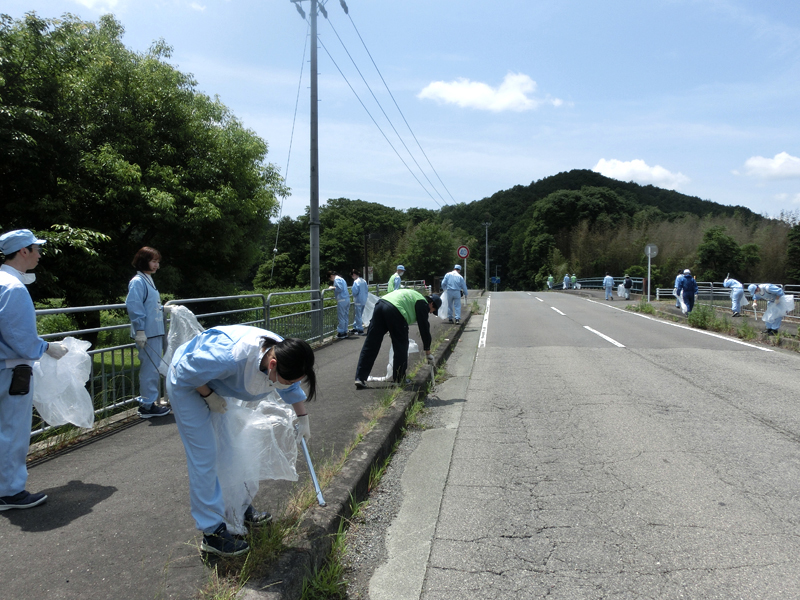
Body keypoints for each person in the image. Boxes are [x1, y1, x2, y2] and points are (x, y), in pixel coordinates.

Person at [166, 325, 316, 557]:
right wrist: (207, 395)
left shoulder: (285, 352)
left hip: (214, 382)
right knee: (205, 456)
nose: (288, 385)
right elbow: (186, 370)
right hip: (187, 383)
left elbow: (290, 385)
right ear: (273, 365)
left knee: (231, 449)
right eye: (286, 381)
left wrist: (302, 417)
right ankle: (212, 532)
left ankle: (238, 508)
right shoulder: (231, 356)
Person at [0, 229, 69, 511]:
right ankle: (10, 491)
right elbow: (22, 339)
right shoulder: (13, 288)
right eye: (36, 249)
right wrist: (46, 347)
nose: (40, 254)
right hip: (11, 369)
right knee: (12, 430)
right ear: (23, 251)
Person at [354, 289, 441, 389]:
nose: (430, 313)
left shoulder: (415, 295)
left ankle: (360, 378)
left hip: (381, 304)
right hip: (395, 310)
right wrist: (428, 351)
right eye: (433, 311)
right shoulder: (423, 303)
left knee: (371, 343)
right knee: (401, 345)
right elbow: (424, 328)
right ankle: (399, 379)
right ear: (432, 304)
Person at [125, 247, 172, 418]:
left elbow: (150, 305)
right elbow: (135, 306)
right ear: (143, 260)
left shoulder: (148, 280)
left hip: (154, 331)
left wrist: (163, 309)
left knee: (153, 369)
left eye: (157, 262)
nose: (156, 265)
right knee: (149, 370)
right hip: (147, 333)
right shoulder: (138, 281)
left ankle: (149, 402)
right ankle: (146, 405)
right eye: (153, 261)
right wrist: (140, 330)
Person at [327, 270, 351, 339]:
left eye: (330, 278)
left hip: (342, 299)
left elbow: (339, 289)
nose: (331, 280)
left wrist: (333, 287)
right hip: (346, 299)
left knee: (341, 316)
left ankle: (341, 332)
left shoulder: (337, 279)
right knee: (345, 316)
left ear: (331, 276)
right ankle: (345, 331)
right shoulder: (341, 278)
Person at [350, 269, 368, 336]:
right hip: (363, 300)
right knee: (359, 315)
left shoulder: (356, 282)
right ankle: (355, 327)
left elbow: (355, 292)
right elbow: (366, 290)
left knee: (358, 315)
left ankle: (360, 329)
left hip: (358, 300)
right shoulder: (364, 281)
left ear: (354, 275)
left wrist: (354, 296)